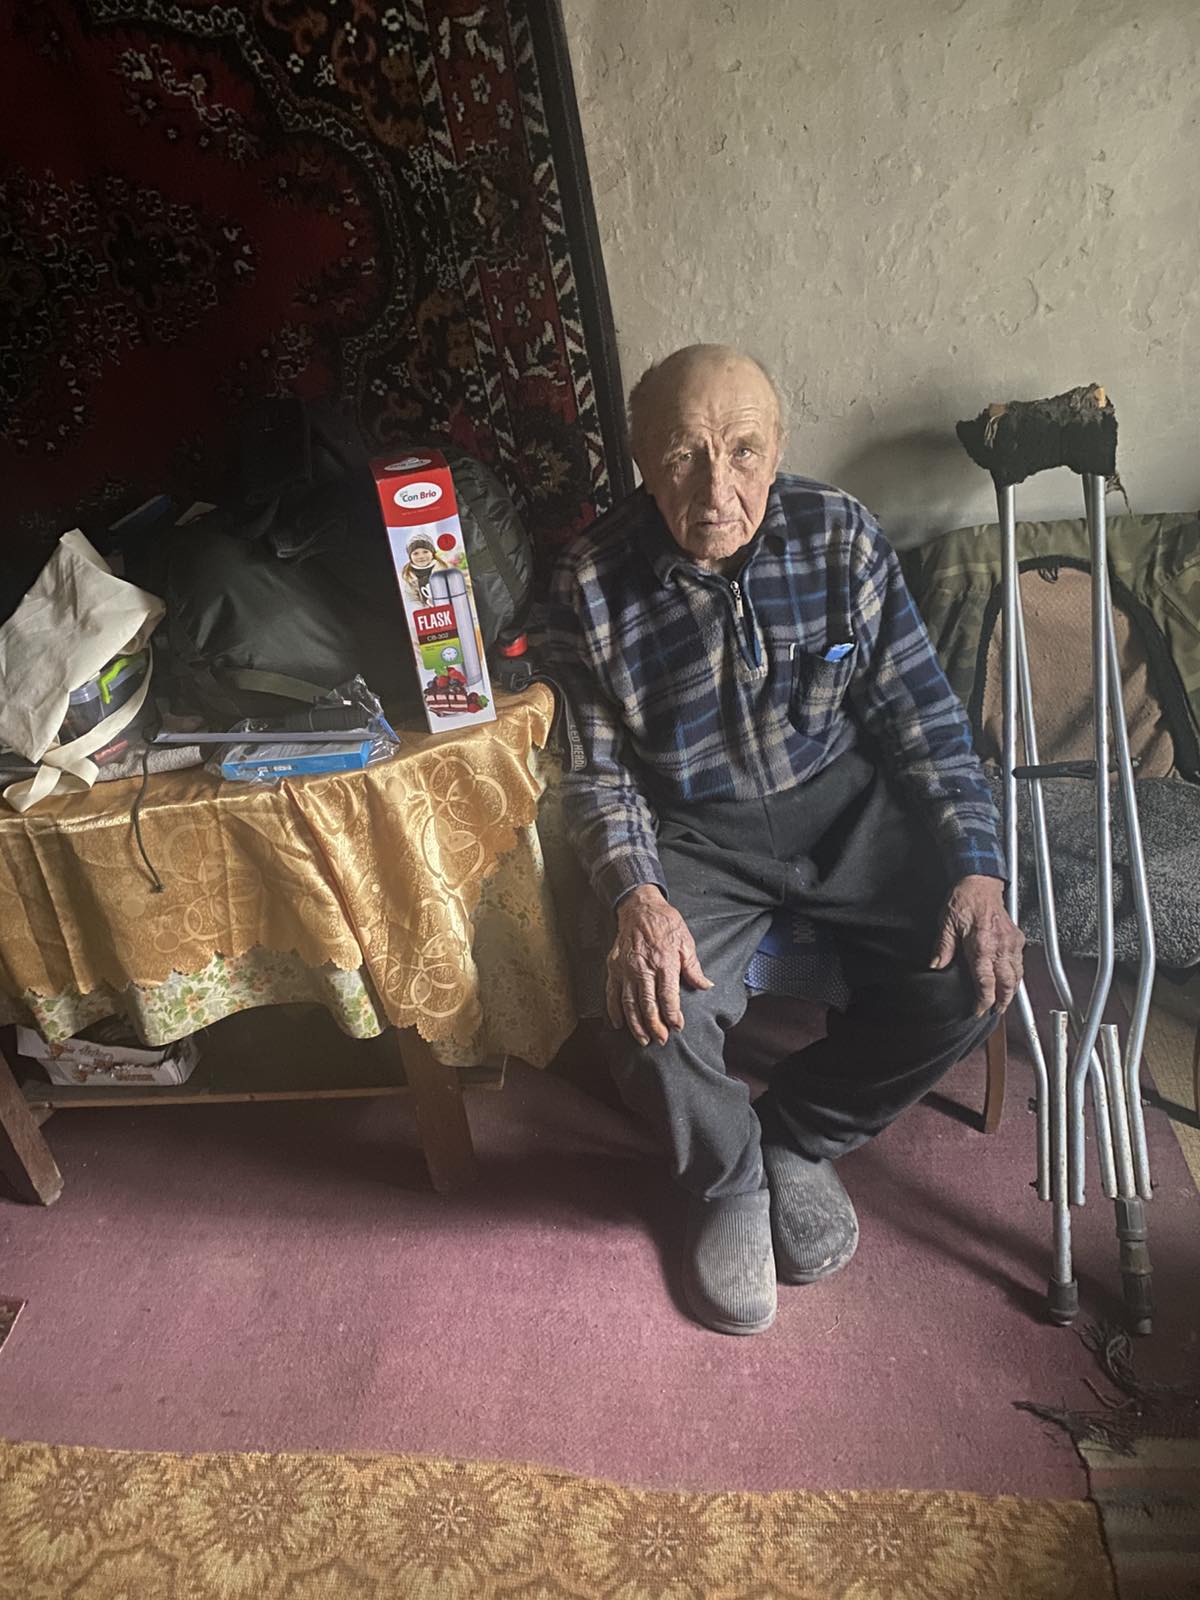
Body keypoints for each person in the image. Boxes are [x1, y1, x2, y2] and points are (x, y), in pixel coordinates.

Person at [546, 344, 1024, 1337]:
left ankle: (798, 1135)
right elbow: (596, 773)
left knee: (967, 981)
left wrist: (977, 868)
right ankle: (726, 1178)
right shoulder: (590, 581)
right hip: (695, 828)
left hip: (844, 805)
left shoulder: (839, 533)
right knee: (648, 1010)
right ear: (640, 458)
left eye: (743, 451)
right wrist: (637, 894)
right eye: (684, 455)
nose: (716, 489)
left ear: (778, 448)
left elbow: (923, 719)